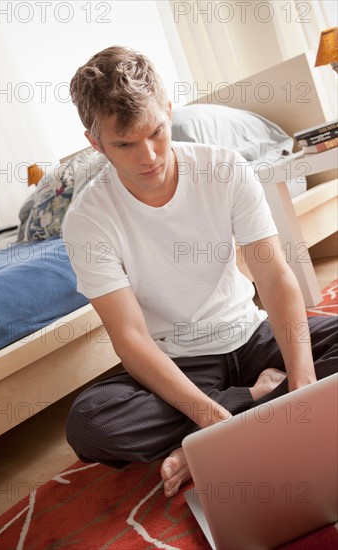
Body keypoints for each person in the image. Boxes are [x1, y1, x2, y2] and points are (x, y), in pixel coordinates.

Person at [62, 45, 337, 498]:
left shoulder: (225, 168)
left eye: (156, 131)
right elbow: (130, 338)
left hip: (250, 334)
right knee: (90, 425)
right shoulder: (88, 219)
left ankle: (262, 400)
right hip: (178, 362)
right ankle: (255, 400)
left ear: (169, 110)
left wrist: (303, 385)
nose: (148, 156)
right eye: (125, 144)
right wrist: (213, 420)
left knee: (311, 360)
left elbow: (273, 277)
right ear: (95, 143)